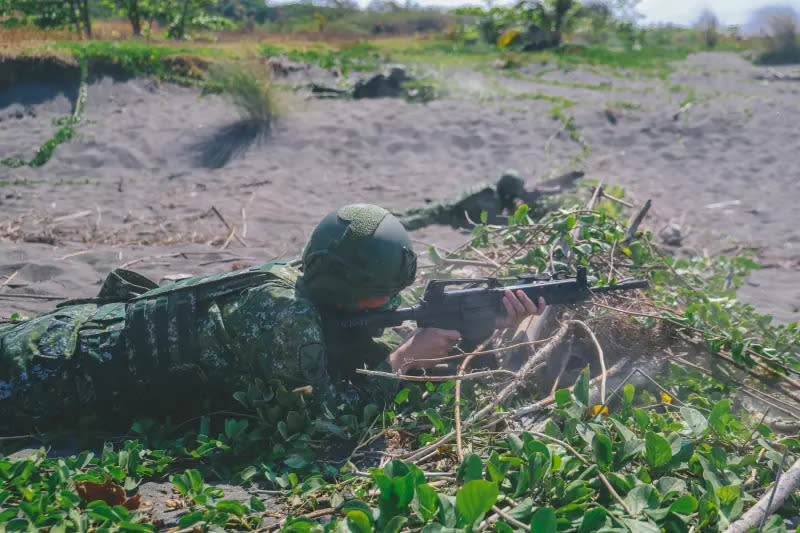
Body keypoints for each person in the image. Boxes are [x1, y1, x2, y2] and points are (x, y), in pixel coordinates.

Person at [0, 204, 545, 432]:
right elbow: (329, 421)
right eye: (382, 299)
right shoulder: (283, 318)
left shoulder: (304, 277)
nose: (387, 309)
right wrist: (406, 357)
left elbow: (350, 337)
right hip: (54, 374)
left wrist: (478, 325)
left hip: (71, 339)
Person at [394, 170, 527, 230]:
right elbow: (491, 223)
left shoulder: (489, 190)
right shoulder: (492, 200)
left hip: (442, 206)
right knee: (405, 224)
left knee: (403, 213)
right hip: (443, 213)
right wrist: (514, 217)